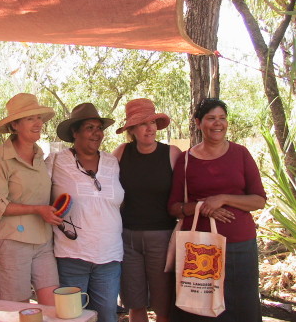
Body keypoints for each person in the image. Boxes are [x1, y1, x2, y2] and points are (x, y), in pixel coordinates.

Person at [168, 98, 266, 322]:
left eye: (222, 118)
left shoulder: (241, 154)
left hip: (239, 245)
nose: (217, 123)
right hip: (199, 248)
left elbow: (259, 200)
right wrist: (203, 207)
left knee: (240, 307)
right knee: (200, 308)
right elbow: (174, 208)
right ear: (198, 123)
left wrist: (222, 199)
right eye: (211, 118)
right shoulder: (185, 160)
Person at [46, 103, 124, 322]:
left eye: (99, 128)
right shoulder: (56, 161)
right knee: (71, 317)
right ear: (75, 132)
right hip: (71, 256)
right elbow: (34, 192)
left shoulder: (112, 162)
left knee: (107, 316)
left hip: (109, 258)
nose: (96, 133)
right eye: (90, 127)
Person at [0, 93, 61, 305]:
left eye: (39, 118)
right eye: (30, 118)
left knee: (54, 307)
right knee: (17, 310)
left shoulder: (40, 155)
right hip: (11, 242)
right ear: (15, 125)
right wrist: (38, 210)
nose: (38, 123)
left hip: (43, 240)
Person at [113, 98, 181, 322]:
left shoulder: (171, 153)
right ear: (131, 129)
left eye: (152, 122)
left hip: (162, 237)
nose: (149, 128)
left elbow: (185, 192)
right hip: (127, 238)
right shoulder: (121, 153)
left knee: (163, 306)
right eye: (142, 124)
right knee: (135, 302)